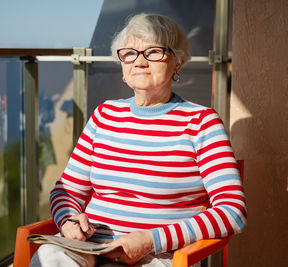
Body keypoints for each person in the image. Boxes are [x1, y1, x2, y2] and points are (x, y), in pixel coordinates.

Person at [30, 13, 246, 267]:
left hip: (160, 256)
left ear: (177, 62)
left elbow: (232, 212)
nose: (140, 61)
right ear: (122, 63)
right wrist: (68, 220)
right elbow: (66, 191)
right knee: (47, 258)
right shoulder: (104, 115)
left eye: (153, 52)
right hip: (91, 248)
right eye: (130, 53)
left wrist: (150, 240)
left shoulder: (201, 122)